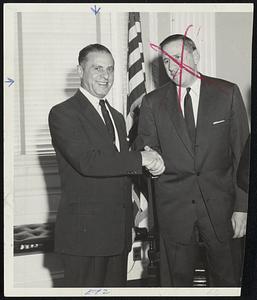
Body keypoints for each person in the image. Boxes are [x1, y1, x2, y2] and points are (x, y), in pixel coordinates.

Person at [136, 34, 249, 287]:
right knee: (176, 285)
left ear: (195, 56)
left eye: (177, 57)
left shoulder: (227, 93)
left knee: (228, 282)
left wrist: (242, 208)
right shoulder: (153, 103)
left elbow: (243, 157)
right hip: (174, 213)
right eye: (166, 62)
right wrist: (151, 165)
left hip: (222, 211)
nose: (172, 66)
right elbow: (143, 153)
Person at [48, 44, 164, 287]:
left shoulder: (117, 117)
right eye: (97, 68)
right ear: (80, 71)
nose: (105, 76)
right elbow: (89, 162)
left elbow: (120, 173)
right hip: (84, 236)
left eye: (110, 69)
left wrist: (129, 223)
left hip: (117, 234)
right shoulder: (63, 113)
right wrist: (142, 158)